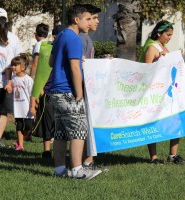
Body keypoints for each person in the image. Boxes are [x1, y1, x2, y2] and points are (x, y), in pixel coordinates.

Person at [49, 4, 101, 179]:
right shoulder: (74, 39)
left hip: (56, 90)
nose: (90, 22)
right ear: (77, 20)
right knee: (79, 129)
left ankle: (59, 170)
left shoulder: (62, 35)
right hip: (67, 91)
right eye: (87, 19)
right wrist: (79, 94)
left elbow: (51, 61)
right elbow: (75, 69)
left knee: (61, 133)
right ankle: (78, 170)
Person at [139, 20, 185, 164]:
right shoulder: (152, 48)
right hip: (154, 92)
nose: (169, 37)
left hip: (166, 91)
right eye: (167, 34)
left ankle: (173, 155)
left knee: (175, 120)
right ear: (159, 33)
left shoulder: (163, 47)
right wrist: (160, 60)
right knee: (153, 123)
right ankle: (153, 158)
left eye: (171, 35)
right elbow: (146, 70)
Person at [78, 4, 108, 172]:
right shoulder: (82, 39)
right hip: (84, 88)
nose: (96, 22)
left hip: (88, 88)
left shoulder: (87, 39)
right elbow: (81, 64)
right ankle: (86, 162)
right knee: (86, 125)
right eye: (93, 18)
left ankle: (88, 160)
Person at [30, 24, 66, 159]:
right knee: (47, 121)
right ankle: (46, 150)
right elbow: (40, 71)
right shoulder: (46, 49)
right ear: (54, 37)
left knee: (59, 124)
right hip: (48, 91)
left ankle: (57, 150)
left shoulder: (67, 50)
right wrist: (37, 91)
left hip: (62, 91)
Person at [0, 8, 23, 147]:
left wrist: (13, 79)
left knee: (3, 110)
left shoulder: (13, 39)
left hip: (6, 81)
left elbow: (17, 60)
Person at [0, 17, 13, 147]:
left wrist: (9, 82)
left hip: (0, 83)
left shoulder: (7, 47)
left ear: (1, 29)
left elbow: (8, 67)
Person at [11, 53, 34, 151]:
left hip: (27, 108)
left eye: (15, 65)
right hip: (17, 108)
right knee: (19, 126)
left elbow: (32, 94)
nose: (13, 67)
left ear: (23, 67)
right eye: (12, 65)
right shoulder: (13, 78)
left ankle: (20, 140)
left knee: (28, 127)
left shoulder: (28, 79)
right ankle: (20, 145)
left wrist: (33, 106)